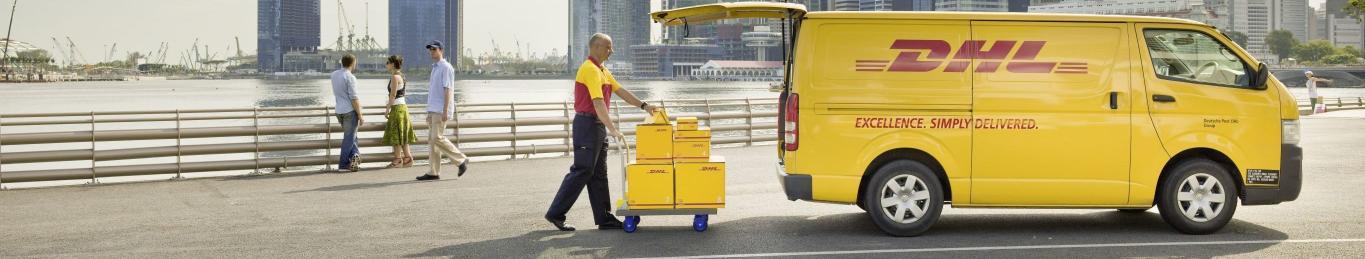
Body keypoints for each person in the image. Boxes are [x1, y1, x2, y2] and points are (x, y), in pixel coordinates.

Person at [545, 33, 660, 231]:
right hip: (587, 124)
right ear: (597, 47)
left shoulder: (602, 70)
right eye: (608, 47)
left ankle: (604, 218)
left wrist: (644, 105)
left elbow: (621, 91)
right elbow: (598, 104)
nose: (611, 51)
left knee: (598, 173)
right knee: (582, 170)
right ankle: (555, 214)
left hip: (596, 126)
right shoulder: (589, 70)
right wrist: (613, 129)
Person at [415, 41, 469, 181]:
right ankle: (433, 171)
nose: (431, 52)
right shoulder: (435, 68)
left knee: (436, 137)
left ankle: (461, 160)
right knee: (432, 141)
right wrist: (428, 112)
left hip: (441, 109)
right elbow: (433, 92)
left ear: (441, 50)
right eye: (430, 50)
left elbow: (448, 90)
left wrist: (445, 110)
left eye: (434, 49)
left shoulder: (446, 67)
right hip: (434, 109)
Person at [383, 55, 418, 168]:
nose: (386, 64)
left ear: (393, 64)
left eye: (387, 62)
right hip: (403, 107)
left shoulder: (394, 77)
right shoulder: (402, 76)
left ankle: (398, 159)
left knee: (396, 133)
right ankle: (407, 158)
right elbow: (401, 94)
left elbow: (393, 95)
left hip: (397, 109)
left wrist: (387, 109)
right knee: (402, 134)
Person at [331, 54, 364, 172]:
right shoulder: (350, 77)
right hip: (349, 111)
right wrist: (360, 114)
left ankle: (355, 156)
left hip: (339, 111)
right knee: (349, 138)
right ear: (353, 63)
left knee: (351, 137)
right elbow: (354, 98)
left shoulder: (334, 75)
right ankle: (343, 164)